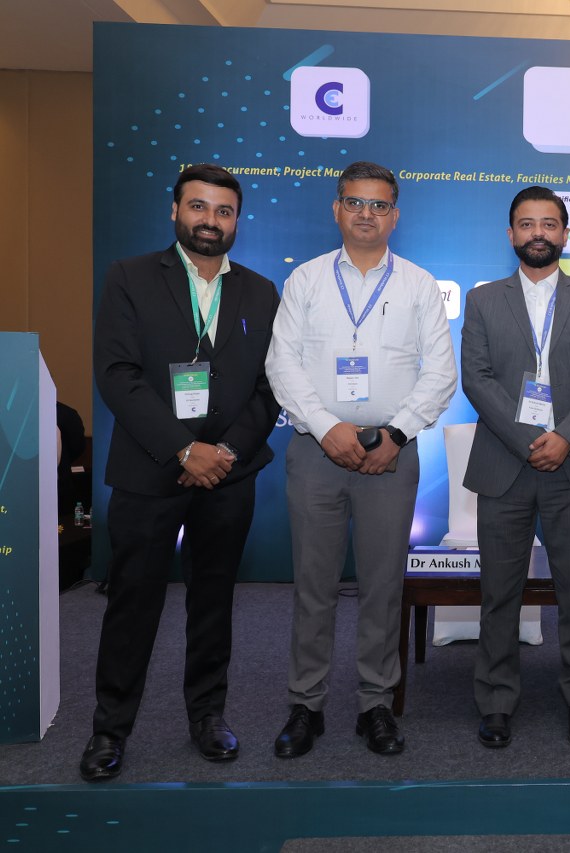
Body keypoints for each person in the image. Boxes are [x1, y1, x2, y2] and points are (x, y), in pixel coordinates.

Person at [82, 163, 281, 781]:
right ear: (175, 211)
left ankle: (208, 715)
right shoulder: (130, 277)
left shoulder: (261, 291)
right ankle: (110, 729)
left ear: (237, 220)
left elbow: (269, 387)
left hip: (229, 474)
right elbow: (117, 373)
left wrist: (224, 453)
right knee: (132, 604)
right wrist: (182, 449)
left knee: (214, 602)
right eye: (198, 207)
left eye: (223, 211)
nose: (210, 221)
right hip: (149, 469)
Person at [265, 161, 457, 758]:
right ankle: (306, 705)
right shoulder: (306, 280)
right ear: (337, 209)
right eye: (355, 202)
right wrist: (327, 429)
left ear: (395, 215)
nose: (366, 214)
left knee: (382, 585)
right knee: (313, 585)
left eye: (379, 205)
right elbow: (281, 363)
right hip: (316, 450)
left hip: (390, 455)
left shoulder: (419, 285)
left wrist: (396, 434)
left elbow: (440, 373)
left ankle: (376, 703)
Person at [461, 186, 570, 748]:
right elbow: (476, 378)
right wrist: (529, 439)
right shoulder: (483, 300)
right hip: (505, 463)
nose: (538, 233)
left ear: (565, 234)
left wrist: (565, 437)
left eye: (549, 224)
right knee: (499, 594)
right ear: (511, 234)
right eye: (527, 224)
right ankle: (496, 701)